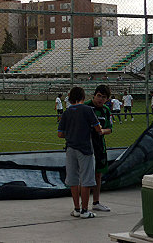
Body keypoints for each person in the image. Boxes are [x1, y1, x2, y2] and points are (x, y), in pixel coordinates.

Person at [57, 87, 102, 219]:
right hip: (85, 147)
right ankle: (84, 210)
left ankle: (76, 208)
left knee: (73, 179)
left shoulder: (67, 112)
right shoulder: (88, 110)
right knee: (86, 178)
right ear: (83, 96)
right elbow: (97, 128)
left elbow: (60, 134)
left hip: (70, 148)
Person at [85, 84, 113, 212]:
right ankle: (82, 204)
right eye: (99, 96)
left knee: (98, 174)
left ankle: (96, 202)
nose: (100, 99)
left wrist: (102, 131)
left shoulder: (106, 110)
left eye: (104, 97)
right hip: (85, 146)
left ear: (107, 99)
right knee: (84, 174)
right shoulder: (85, 107)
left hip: (99, 146)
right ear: (94, 95)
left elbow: (110, 129)